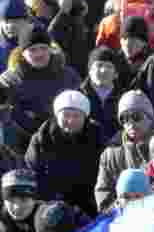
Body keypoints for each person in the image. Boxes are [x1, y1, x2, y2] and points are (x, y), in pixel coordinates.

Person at [24, 90, 104, 218]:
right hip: (51, 204)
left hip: (89, 200)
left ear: (85, 117)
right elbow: (33, 171)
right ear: (57, 115)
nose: (71, 120)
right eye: (66, 115)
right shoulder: (42, 137)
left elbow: (102, 173)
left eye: (76, 116)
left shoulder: (96, 136)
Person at [0, 25, 82, 142]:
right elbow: (3, 117)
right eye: (32, 50)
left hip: (65, 138)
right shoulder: (9, 80)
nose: (39, 54)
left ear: (50, 49)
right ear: (22, 52)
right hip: (23, 143)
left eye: (43, 48)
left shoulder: (69, 76)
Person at [95, 90, 154, 213]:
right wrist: (122, 205)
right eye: (124, 119)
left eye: (136, 117)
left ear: (150, 118)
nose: (130, 123)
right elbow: (104, 198)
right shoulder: (110, 154)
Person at [0, 168, 39, 232]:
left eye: (24, 200)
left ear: (34, 199)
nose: (17, 207)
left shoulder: (47, 220)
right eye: (11, 200)